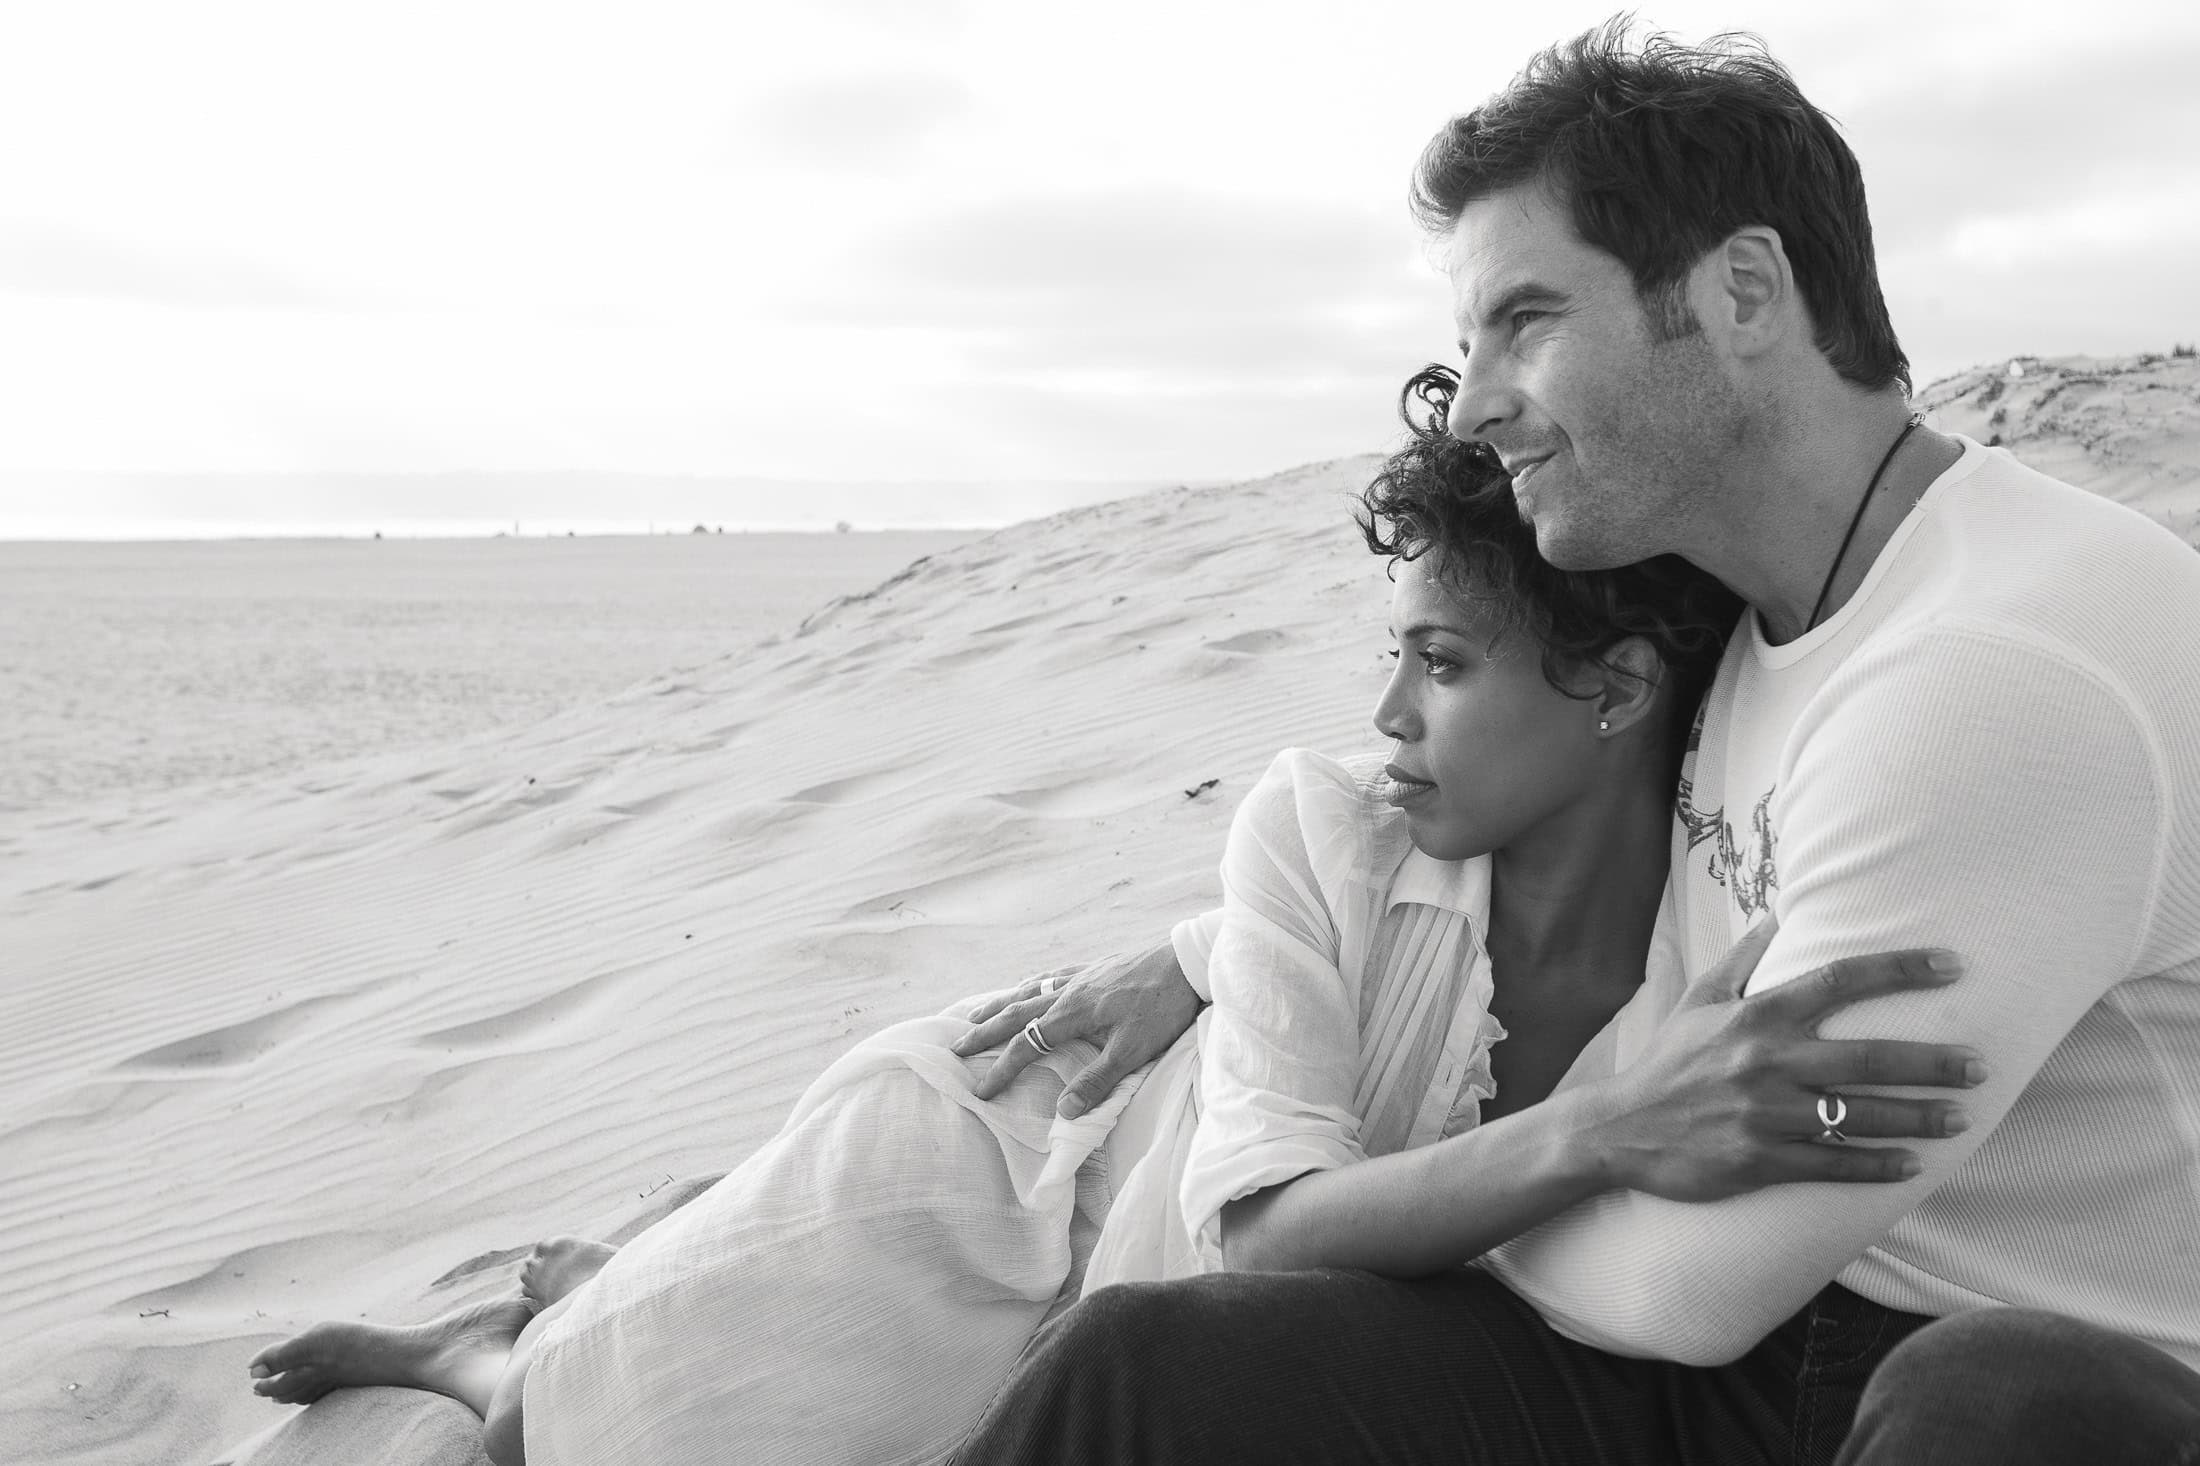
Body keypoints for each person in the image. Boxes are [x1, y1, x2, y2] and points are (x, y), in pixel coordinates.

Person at [242, 367, 1976, 1465]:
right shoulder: (1323, 820)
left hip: (1148, 1309)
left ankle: (604, 1279)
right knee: (587, 1424)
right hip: (1019, 1174)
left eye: (1439, 666)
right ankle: (476, 1356)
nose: (1384, 716)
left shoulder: (1727, 889)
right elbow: (1265, 1230)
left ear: (1615, 691)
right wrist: (1600, 1127)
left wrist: (1212, 956)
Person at [953, 21, 2200, 1466]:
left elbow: (1695, 1281)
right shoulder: (1766, 617)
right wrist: (1206, 952)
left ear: (1743, 290)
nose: (1476, 404)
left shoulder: (1986, 676)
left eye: (1525, 320)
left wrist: (1476, 1188)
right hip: (1726, 1350)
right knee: (1147, 1369)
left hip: (1945, 1370)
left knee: (1987, 1402)